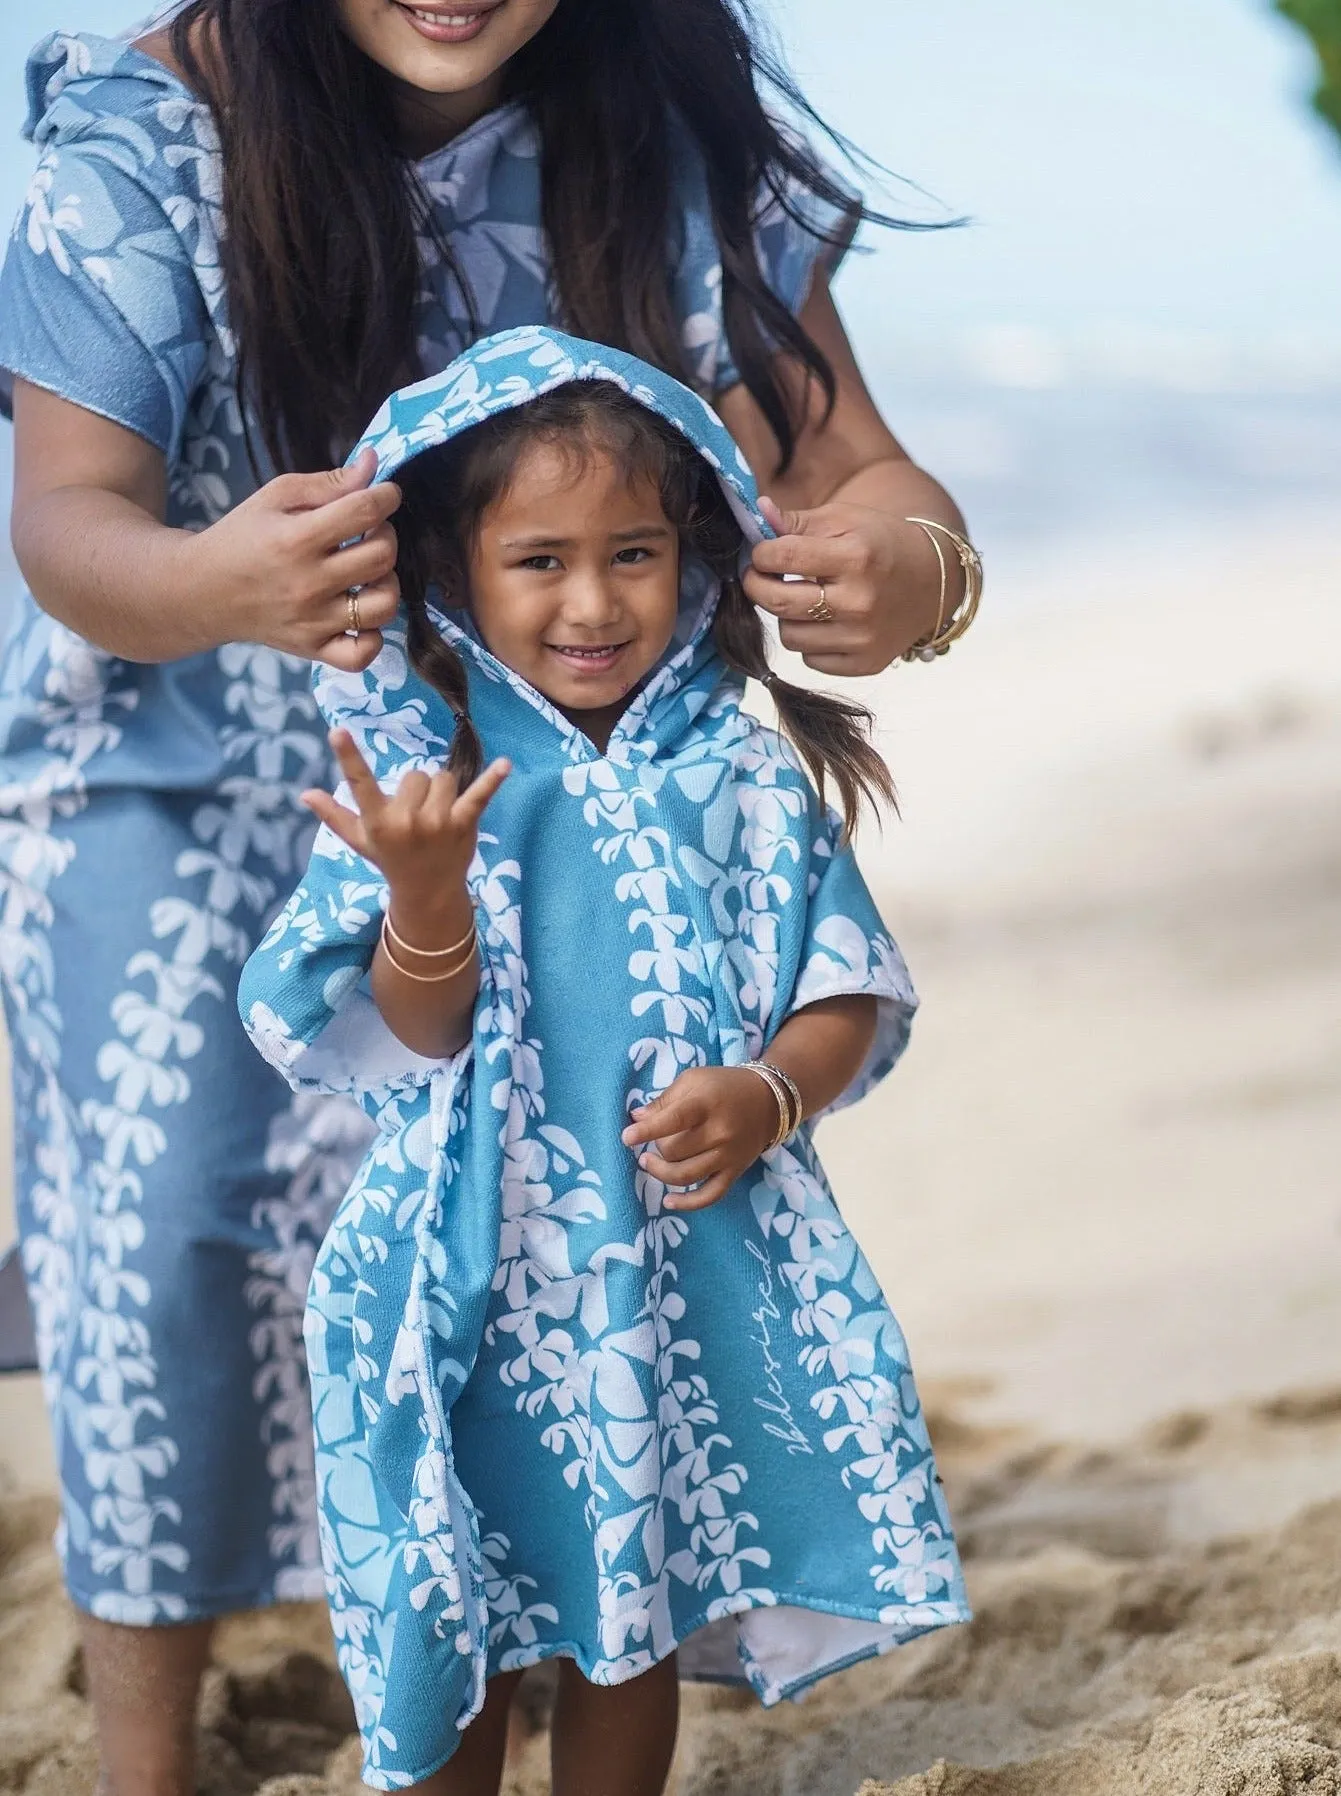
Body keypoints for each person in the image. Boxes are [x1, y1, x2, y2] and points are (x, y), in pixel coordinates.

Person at [0, 2, 976, 1790]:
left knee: (547, 1266)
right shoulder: (150, 134)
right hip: (172, 737)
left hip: (541, 755)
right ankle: (141, 1749)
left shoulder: (657, 119)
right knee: (168, 1247)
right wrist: (221, 579)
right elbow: (70, 527)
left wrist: (913, 565)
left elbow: (863, 468)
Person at [238, 325, 971, 1796]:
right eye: (540, 561)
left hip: (671, 1276)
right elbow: (401, 1034)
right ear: (451, 569)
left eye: (632, 553)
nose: (592, 601)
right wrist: (426, 899)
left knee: (630, 1609)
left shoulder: (742, 771)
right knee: (462, 1600)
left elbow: (841, 984)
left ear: (696, 552)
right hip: (468, 1275)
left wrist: (769, 1095)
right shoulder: (423, 770)